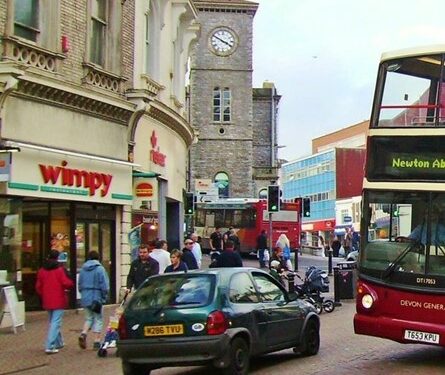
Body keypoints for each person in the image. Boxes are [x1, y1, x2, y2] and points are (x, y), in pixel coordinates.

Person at [35, 250, 74, 354]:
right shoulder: (59, 270)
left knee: (53, 321)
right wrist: (71, 283)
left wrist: (43, 294)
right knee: (55, 322)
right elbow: (66, 283)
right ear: (57, 258)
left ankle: (59, 342)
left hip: (47, 299)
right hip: (58, 299)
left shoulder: (42, 271)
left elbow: (38, 287)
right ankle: (50, 345)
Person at [78, 250, 110, 350]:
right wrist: (104, 295)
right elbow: (104, 285)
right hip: (96, 297)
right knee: (98, 318)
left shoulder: (83, 269)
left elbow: (80, 284)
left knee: (88, 318)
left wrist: (83, 293)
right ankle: (96, 341)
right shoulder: (100, 269)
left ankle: (83, 333)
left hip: (85, 296)